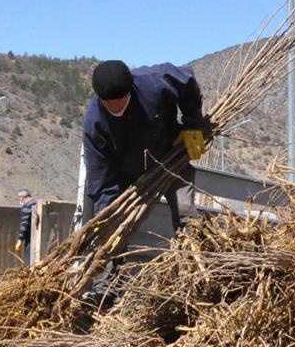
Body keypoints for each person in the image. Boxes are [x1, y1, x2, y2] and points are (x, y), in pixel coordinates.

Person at [82, 59, 210, 230]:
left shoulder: (155, 82)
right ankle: (116, 256)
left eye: (121, 100)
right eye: (108, 103)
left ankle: (193, 250)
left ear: (131, 89)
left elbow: (186, 81)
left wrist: (192, 124)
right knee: (117, 225)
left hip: (170, 159)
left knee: (185, 209)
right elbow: (101, 180)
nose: (115, 107)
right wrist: (107, 215)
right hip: (127, 177)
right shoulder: (95, 125)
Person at [15, 189, 35, 263]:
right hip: (35, 237)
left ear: (22, 197)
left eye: (20, 198)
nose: (20, 200)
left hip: (29, 238)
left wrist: (20, 239)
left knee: (29, 261)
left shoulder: (27, 206)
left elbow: (24, 224)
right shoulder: (35, 204)